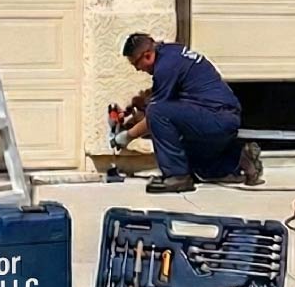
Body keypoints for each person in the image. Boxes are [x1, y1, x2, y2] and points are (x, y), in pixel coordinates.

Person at [112, 33, 262, 193]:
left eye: (136, 63)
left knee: (157, 113)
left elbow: (156, 114)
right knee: (196, 168)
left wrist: (125, 137)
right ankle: (239, 159)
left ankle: (177, 177)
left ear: (147, 56)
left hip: (215, 117)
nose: (137, 69)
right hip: (222, 116)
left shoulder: (165, 67)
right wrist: (138, 106)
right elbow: (163, 100)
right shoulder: (171, 52)